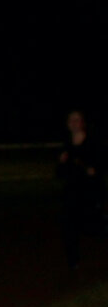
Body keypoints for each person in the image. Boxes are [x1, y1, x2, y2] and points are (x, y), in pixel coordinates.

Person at [56, 109, 105, 270]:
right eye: (71, 120)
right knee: (69, 225)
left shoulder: (93, 142)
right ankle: (73, 261)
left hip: (89, 191)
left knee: (93, 225)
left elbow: (100, 164)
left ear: (82, 123)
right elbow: (59, 173)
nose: (74, 123)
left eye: (77, 120)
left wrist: (94, 170)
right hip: (71, 192)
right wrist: (61, 162)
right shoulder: (66, 145)